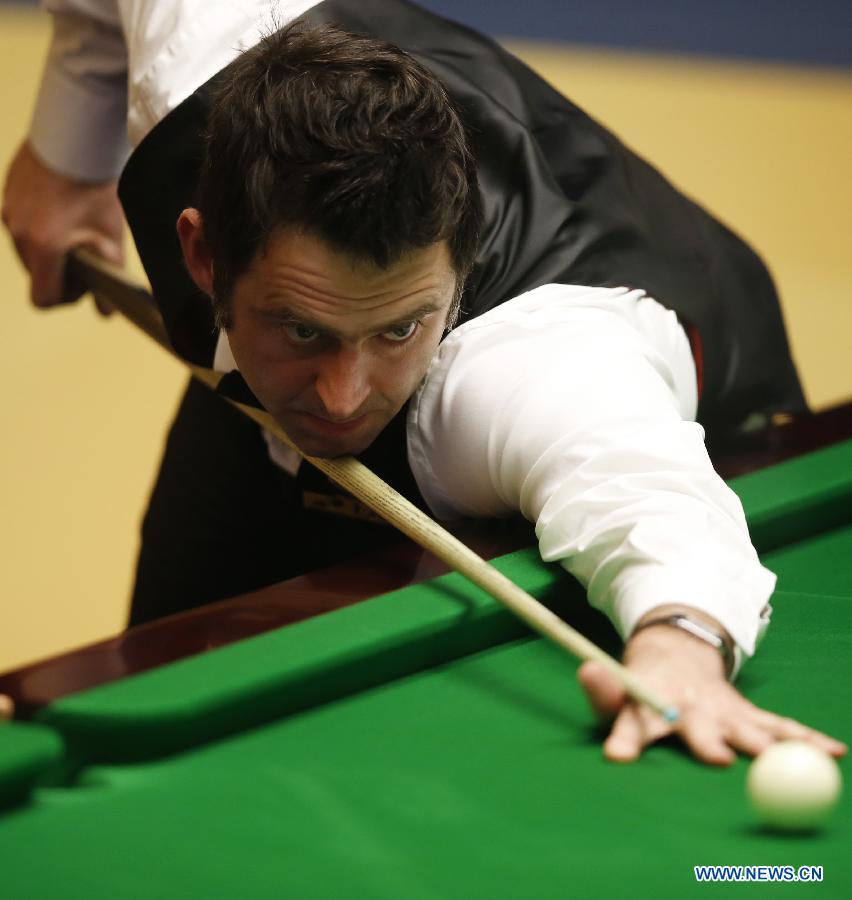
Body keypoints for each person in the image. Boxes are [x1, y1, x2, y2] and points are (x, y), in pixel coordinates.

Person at [2, 0, 845, 765]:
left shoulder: (525, 371)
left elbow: (642, 495)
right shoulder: (201, 35)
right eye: (304, 328)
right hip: (264, 398)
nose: (342, 397)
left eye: (399, 327)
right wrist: (64, 152)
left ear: (455, 278)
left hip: (714, 409)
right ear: (203, 255)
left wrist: (681, 639)